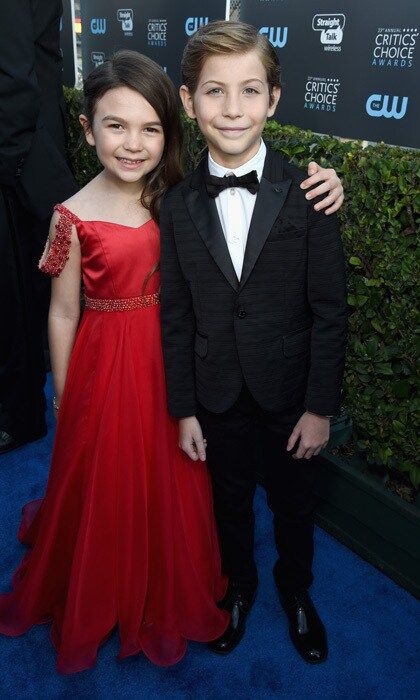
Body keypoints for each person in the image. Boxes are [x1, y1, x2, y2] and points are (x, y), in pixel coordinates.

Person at [0, 51, 230, 674]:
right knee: (104, 470)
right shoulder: (70, 217)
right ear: (86, 128)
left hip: (167, 358)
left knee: (168, 468)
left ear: (168, 133)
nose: (133, 144)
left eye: (150, 128)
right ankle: (103, 583)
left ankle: (163, 574)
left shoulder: (177, 196)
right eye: (116, 126)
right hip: (104, 366)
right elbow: (63, 312)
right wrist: (63, 391)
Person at [160, 21, 347, 664]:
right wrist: (183, 407)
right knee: (229, 503)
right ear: (189, 102)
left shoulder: (311, 194)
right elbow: (176, 315)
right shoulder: (177, 206)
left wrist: (320, 408)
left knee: (296, 506)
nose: (232, 109)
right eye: (215, 91)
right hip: (215, 393)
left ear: (274, 98)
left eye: (248, 90)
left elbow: (330, 313)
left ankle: (297, 594)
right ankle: (238, 590)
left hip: (292, 393)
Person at [0, 0, 77, 453]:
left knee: (17, 301)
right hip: (25, 158)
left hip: (18, 163)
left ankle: (20, 416)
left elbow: (13, 81)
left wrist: (8, 168)